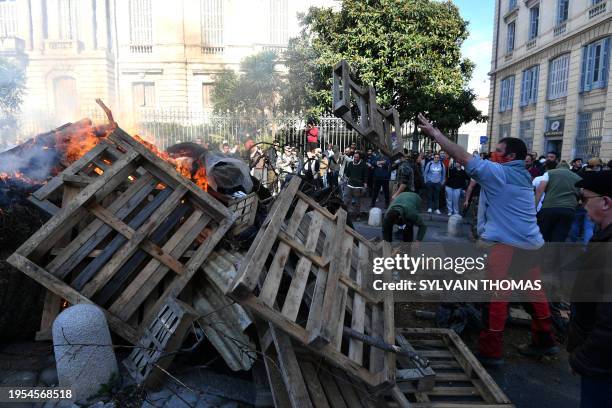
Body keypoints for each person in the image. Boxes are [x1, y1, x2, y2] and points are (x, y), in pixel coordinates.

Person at [418, 113, 557, 366]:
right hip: (532, 244)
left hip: (508, 248)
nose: (493, 153)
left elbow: (461, 156)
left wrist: (436, 134)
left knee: (497, 298)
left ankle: (491, 351)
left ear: (510, 156)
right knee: (535, 293)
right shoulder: (523, 175)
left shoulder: (500, 174)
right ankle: (545, 340)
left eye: (498, 150)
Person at [567, 170, 612, 408]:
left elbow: (608, 324)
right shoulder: (602, 238)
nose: (581, 204)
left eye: (584, 199)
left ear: (605, 202)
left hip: (602, 368)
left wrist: (583, 360)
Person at [535, 161, 582, 242]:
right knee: (559, 238)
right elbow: (581, 194)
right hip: (568, 210)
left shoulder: (549, 173)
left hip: (549, 208)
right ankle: (555, 253)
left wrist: (534, 207)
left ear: (557, 167)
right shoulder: (577, 177)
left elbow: (540, 190)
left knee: (543, 236)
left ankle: (543, 253)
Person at [343, 151, 368, 220]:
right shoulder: (350, 164)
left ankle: (357, 215)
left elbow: (366, 176)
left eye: (357, 157)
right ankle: (344, 214)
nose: (355, 158)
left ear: (359, 158)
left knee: (357, 202)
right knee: (345, 200)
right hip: (350, 185)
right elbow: (347, 174)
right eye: (354, 157)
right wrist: (345, 179)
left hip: (358, 186)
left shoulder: (364, 165)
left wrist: (365, 185)